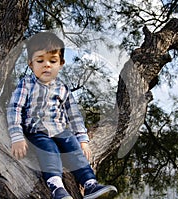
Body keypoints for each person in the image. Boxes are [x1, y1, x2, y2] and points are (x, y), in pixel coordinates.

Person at [7, 32, 117, 199]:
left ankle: (89, 184)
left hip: (60, 130)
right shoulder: (26, 84)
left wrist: (83, 139)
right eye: (40, 61)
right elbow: (14, 109)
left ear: (61, 64)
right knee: (50, 152)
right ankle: (57, 188)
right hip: (37, 131)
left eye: (52, 61)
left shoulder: (62, 88)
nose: (46, 65)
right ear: (30, 64)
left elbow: (74, 115)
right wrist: (17, 136)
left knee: (74, 148)